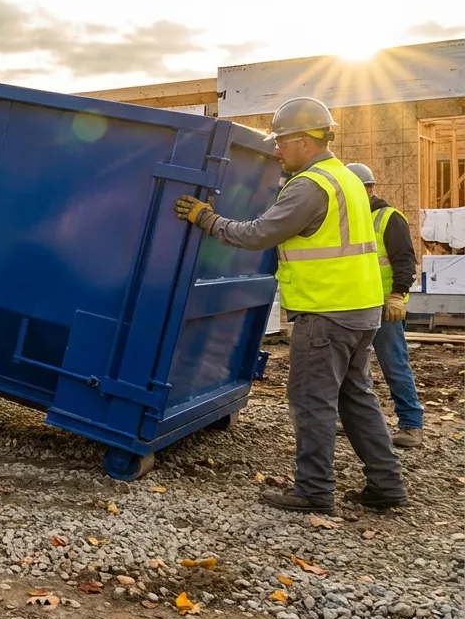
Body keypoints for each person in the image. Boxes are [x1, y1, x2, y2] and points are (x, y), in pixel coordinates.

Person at [173, 96, 407, 514]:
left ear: (305, 140)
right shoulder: (347, 179)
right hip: (360, 310)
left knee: (311, 401)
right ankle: (387, 484)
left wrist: (206, 219)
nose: (277, 149)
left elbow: (259, 233)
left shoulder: (309, 186)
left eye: (282, 141)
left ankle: (315, 491)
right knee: (357, 398)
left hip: (326, 313)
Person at [345, 162, 425, 448]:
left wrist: (397, 295)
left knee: (394, 364)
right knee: (353, 368)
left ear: (370, 189)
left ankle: (411, 423)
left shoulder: (389, 218)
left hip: (383, 306)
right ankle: (358, 421)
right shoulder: (349, 220)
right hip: (355, 305)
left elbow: (404, 260)